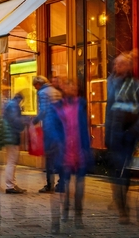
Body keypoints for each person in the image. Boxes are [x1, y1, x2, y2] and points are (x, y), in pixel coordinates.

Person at [105, 53, 138, 224]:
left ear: (129, 66)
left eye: (121, 64)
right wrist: (106, 133)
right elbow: (109, 109)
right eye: (116, 64)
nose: (117, 67)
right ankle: (121, 206)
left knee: (123, 173)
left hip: (127, 135)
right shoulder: (112, 83)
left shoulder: (135, 85)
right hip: (114, 134)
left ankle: (122, 207)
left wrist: (133, 131)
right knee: (116, 172)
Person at [54, 78, 91, 231]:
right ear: (64, 88)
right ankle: (65, 210)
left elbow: (84, 128)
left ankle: (78, 216)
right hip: (65, 150)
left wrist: (87, 148)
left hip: (79, 148)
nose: (72, 88)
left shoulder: (81, 104)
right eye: (69, 85)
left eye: (74, 86)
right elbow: (55, 127)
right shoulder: (58, 106)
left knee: (80, 185)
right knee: (66, 182)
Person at [33, 75, 63, 193]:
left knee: (49, 157)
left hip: (50, 127)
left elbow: (43, 110)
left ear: (38, 84)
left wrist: (35, 120)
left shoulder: (42, 93)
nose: (35, 89)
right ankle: (62, 184)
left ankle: (49, 185)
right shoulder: (56, 91)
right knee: (59, 156)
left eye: (35, 86)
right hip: (60, 127)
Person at [2, 92, 27, 194]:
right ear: (20, 99)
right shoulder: (14, 106)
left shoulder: (10, 104)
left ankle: (12, 184)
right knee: (12, 162)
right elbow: (16, 121)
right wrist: (24, 122)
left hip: (9, 136)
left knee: (11, 161)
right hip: (12, 137)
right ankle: (10, 186)